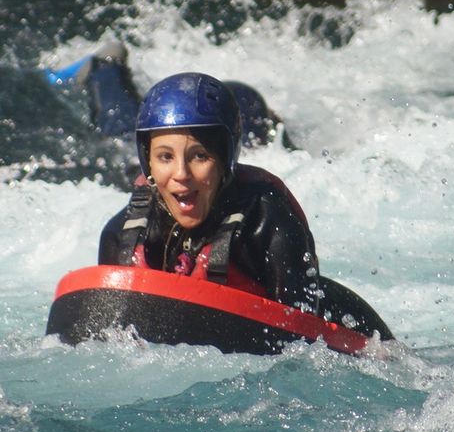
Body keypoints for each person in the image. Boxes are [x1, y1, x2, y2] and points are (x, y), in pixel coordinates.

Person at [97, 71, 321, 311]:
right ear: (148, 162)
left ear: (224, 160)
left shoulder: (268, 224)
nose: (181, 173)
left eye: (199, 156)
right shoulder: (121, 236)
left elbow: (301, 337)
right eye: (165, 157)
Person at [47, 40, 289, 149]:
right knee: (120, 121)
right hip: (140, 136)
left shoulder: (271, 163)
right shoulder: (144, 152)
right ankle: (104, 66)